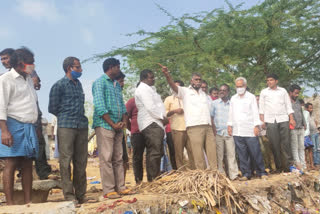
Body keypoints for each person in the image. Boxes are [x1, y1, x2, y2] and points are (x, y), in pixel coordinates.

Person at [0, 47, 39, 205]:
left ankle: (28, 200)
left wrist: (35, 125)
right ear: (21, 63)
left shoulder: (28, 78)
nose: (33, 65)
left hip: (29, 125)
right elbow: (1, 106)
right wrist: (4, 131)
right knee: (11, 162)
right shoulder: (5, 79)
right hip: (12, 124)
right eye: (30, 62)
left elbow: (31, 103)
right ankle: (10, 203)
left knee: (28, 163)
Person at [160, 64, 217, 170]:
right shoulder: (185, 91)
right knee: (198, 154)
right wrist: (167, 75)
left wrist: (213, 127)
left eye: (200, 80)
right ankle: (202, 176)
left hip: (207, 126)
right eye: (196, 80)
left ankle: (215, 175)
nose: (198, 82)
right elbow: (173, 86)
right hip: (194, 127)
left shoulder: (204, 95)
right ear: (191, 81)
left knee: (212, 152)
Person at [48, 56, 89, 204]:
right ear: (69, 68)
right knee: (65, 162)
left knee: (81, 162)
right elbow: (52, 108)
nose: (81, 70)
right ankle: (69, 195)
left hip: (82, 126)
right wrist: (65, 115)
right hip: (66, 126)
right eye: (78, 67)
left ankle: (81, 195)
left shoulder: (78, 84)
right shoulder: (59, 85)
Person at [92, 58, 132, 199]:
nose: (119, 70)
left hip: (118, 126)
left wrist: (123, 122)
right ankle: (109, 190)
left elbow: (122, 106)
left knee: (118, 158)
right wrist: (112, 123)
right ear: (111, 67)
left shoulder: (116, 84)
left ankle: (120, 187)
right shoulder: (99, 82)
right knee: (107, 158)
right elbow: (100, 105)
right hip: (105, 125)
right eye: (117, 67)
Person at [228, 77, 267, 180]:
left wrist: (256, 126)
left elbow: (255, 111)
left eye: (241, 86)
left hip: (250, 129)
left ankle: (261, 172)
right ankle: (246, 174)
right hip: (237, 130)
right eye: (237, 86)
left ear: (245, 86)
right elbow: (231, 113)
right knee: (242, 154)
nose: (239, 88)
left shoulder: (251, 97)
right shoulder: (233, 98)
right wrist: (229, 125)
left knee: (255, 152)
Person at [135, 69, 168, 181]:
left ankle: (153, 177)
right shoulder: (143, 89)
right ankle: (153, 179)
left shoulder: (150, 89)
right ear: (144, 79)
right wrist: (162, 118)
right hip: (151, 122)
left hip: (155, 122)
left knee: (155, 151)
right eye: (151, 77)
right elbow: (150, 108)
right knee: (155, 152)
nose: (153, 79)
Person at [259, 73, 295, 172]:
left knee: (286, 143)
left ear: (276, 81)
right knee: (274, 144)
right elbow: (261, 108)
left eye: (271, 80)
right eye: (267, 80)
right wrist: (262, 121)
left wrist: (291, 118)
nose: (269, 82)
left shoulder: (282, 91)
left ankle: (288, 166)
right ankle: (279, 167)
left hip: (283, 119)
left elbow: (288, 106)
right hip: (270, 120)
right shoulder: (264, 92)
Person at [164, 80, 194, 170]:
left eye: (176, 87)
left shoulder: (188, 98)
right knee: (179, 153)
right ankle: (182, 172)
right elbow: (164, 113)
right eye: (173, 87)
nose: (174, 89)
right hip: (177, 129)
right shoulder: (168, 99)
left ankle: (193, 171)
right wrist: (174, 111)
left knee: (192, 152)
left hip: (190, 128)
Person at [211, 84, 238, 180]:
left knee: (231, 155)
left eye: (224, 90)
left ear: (228, 92)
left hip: (229, 133)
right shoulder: (214, 103)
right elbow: (211, 117)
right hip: (218, 133)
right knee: (219, 156)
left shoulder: (232, 104)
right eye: (220, 90)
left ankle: (234, 175)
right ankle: (221, 176)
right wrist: (213, 130)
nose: (222, 92)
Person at [126, 94, 147, 184]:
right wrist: (132, 129)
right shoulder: (131, 101)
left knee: (151, 156)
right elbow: (126, 117)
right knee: (137, 157)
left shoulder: (151, 100)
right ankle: (138, 180)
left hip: (150, 132)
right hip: (137, 133)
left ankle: (152, 179)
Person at [115, 70, 129, 181]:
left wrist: (124, 122)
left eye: (123, 81)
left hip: (120, 130)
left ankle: (121, 183)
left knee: (124, 158)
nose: (122, 84)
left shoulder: (119, 95)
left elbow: (124, 112)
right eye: (121, 81)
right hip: (111, 129)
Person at [288, 85, 307, 170]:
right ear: (290, 92)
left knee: (301, 147)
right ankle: (298, 165)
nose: (297, 95)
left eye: (298, 93)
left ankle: (303, 165)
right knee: (294, 147)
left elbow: (301, 112)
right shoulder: (287, 102)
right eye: (295, 93)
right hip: (293, 128)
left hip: (301, 127)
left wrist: (304, 123)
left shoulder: (298, 102)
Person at [256, 95, 275, 172]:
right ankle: (266, 166)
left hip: (266, 132)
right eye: (256, 100)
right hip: (258, 133)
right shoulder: (253, 110)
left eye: (258, 99)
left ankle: (273, 167)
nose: (257, 101)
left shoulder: (265, 109)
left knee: (269, 150)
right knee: (262, 150)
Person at [305, 103, 320, 167]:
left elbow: (315, 122)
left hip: (316, 133)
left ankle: (318, 162)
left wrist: (317, 130)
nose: (312, 109)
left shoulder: (312, 115)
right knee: (314, 149)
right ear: (306, 108)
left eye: (312, 108)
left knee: (318, 148)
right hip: (311, 134)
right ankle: (315, 163)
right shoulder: (306, 116)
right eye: (310, 108)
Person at [302, 101, 314, 170]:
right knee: (308, 150)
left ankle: (308, 165)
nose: (311, 109)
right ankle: (309, 165)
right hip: (305, 134)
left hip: (306, 134)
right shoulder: (306, 113)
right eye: (310, 108)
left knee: (306, 150)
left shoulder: (306, 113)